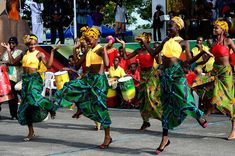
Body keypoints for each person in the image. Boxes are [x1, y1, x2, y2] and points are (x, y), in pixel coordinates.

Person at [136, 16, 209, 154]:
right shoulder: (165, 40)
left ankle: (198, 115)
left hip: (177, 73)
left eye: (171, 26)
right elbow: (152, 53)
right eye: (168, 26)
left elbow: (188, 61)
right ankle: (165, 139)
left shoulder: (183, 42)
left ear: (178, 27)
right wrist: (145, 42)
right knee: (166, 108)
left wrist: (201, 54)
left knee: (184, 98)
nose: (168, 28)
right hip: (165, 76)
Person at [54, 27, 112, 148]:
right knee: (69, 87)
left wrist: (105, 49)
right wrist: (75, 50)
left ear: (95, 38)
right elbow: (77, 64)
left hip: (99, 82)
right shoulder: (88, 50)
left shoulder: (100, 49)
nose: (88, 42)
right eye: (86, 40)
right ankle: (80, 107)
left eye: (89, 39)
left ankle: (107, 137)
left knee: (101, 108)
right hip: (88, 79)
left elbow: (107, 64)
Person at [192, 19, 235, 140]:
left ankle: (233, 128)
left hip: (226, 73)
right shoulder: (213, 44)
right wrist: (198, 66)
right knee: (197, 84)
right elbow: (206, 58)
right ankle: (206, 113)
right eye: (214, 28)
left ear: (223, 29)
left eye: (216, 28)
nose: (214, 30)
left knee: (229, 99)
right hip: (215, 71)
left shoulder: (228, 41)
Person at [117, 32, 162, 131]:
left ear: (147, 41)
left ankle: (162, 118)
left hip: (151, 75)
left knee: (152, 98)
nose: (141, 44)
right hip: (142, 75)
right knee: (142, 100)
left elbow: (159, 62)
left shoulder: (152, 51)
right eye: (140, 42)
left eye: (143, 42)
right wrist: (123, 45)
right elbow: (125, 57)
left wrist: (158, 53)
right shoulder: (138, 50)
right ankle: (145, 122)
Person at [17, 34, 58, 141]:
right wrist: (8, 50)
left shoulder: (39, 54)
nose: (33, 46)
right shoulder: (24, 53)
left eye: (34, 44)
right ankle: (31, 132)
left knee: (33, 96)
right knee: (27, 107)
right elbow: (12, 62)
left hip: (35, 79)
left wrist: (52, 52)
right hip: (26, 79)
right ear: (27, 44)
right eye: (31, 44)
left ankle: (50, 106)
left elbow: (48, 66)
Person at [0, 36, 23, 120]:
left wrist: (8, 51)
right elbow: (2, 61)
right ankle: (13, 114)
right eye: (10, 43)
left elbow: (12, 61)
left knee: (13, 96)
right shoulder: (5, 53)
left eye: (13, 43)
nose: (11, 44)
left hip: (15, 77)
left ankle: (15, 114)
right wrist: (4, 62)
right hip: (5, 77)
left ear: (16, 44)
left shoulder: (19, 52)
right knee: (3, 95)